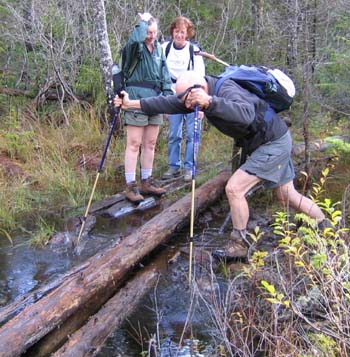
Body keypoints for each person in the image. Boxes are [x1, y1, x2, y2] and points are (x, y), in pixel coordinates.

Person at [114, 70, 329, 259]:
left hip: (272, 143)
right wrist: (131, 104)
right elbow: (168, 103)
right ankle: (324, 226)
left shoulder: (226, 89)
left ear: (199, 88)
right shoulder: (194, 95)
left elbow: (246, 114)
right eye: (185, 100)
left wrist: (210, 102)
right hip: (266, 141)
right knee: (285, 195)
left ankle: (240, 245)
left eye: (187, 99)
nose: (186, 105)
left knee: (234, 189)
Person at [121, 12, 173, 203]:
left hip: (155, 100)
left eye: (154, 32)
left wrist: (168, 97)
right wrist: (142, 23)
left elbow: (165, 75)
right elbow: (134, 40)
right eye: (148, 32)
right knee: (134, 144)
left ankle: (146, 181)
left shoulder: (159, 49)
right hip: (135, 98)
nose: (151, 36)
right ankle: (130, 185)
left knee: (150, 143)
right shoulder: (136, 47)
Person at [161, 16, 205, 182]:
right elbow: (160, 74)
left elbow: (201, 78)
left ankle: (189, 168)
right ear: (172, 32)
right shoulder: (164, 48)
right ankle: (174, 167)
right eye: (176, 31)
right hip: (172, 96)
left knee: (193, 134)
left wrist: (200, 106)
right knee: (174, 133)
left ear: (188, 34)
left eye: (182, 32)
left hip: (192, 96)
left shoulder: (194, 51)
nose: (179, 35)